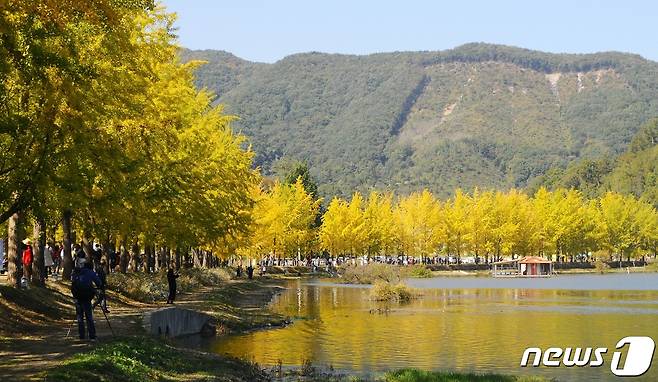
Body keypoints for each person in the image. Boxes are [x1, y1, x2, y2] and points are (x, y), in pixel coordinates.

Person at [71, 258, 102, 340]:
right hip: (87, 297)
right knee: (89, 316)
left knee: (80, 317)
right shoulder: (90, 272)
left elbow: (72, 284)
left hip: (77, 296)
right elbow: (99, 283)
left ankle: (81, 335)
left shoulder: (75, 272)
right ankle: (92, 336)